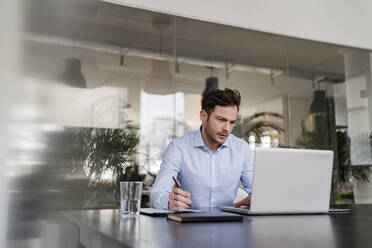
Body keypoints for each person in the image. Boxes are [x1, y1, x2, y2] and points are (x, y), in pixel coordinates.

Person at [150, 88, 253, 211]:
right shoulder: (179, 147)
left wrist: (256, 199)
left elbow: (256, 191)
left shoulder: (242, 149)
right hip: (189, 225)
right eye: (221, 120)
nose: (227, 128)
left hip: (229, 223)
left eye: (232, 122)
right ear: (204, 116)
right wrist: (168, 202)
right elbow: (158, 192)